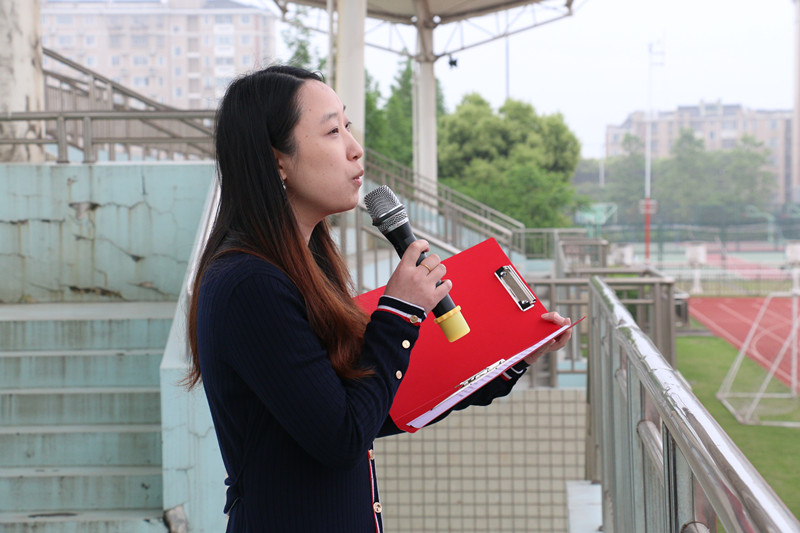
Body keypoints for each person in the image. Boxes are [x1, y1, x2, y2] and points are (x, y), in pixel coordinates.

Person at [184, 65, 572, 532]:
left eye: (348, 126)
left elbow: (370, 408)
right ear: (276, 161)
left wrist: (509, 358)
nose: (355, 148)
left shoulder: (302, 268)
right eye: (333, 131)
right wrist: (399, 312)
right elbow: (342, 436)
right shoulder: (249, 283)